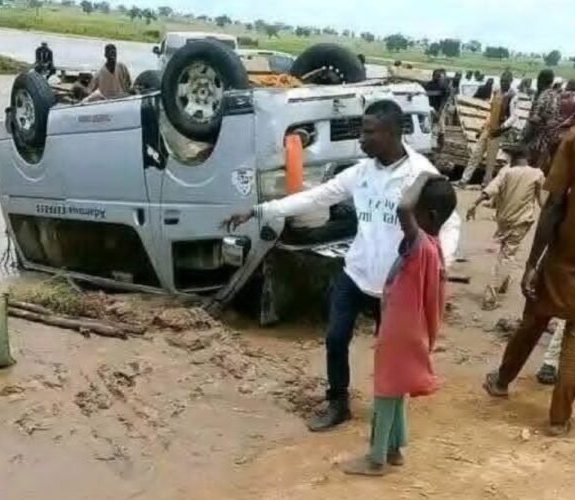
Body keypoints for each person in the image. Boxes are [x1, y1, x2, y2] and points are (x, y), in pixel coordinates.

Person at [223, 100, 461, 432]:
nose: (360, 140)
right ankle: (338, 402)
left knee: (390, 352)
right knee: (335, 338)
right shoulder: (361, 173)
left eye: (368, 132)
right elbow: (316, 196)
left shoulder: (421, 176)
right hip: (355, 272)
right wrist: (261, 210)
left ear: (391, 133)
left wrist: (440, 266)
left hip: (395, 284)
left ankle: (388, 412)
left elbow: (450, 223)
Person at [484, 114, 575, 437]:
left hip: (566, 256)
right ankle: (559, 418)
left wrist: (532, 262)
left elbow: (553, 205)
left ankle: (501, 380)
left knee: (535, 318)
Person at [340, 173, 455, 476]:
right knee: (397, 388)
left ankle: (375, 458)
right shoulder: (435, 245)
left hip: (399, 330)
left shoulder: (419, 245)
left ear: (428, 215)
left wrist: (422, 177)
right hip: (414, 329)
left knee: (385, 389)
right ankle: (395, 448)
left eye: (418, 209)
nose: (409, 214)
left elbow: (402, 209)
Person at [466, 145, 544, 310]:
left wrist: (474, 204)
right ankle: (490, 296)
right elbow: (542, 202)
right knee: (507, 256)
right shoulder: (537, 174)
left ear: (514, 159)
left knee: (507, 252)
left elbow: (490, 190)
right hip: (521, 222)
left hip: (504, 221)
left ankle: (504, 283)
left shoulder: (506, 172)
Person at [460, 71, 518, 187]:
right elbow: (491, 112)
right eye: (502, 81)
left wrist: (502, 128)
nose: (503, 83)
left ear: (510, 82)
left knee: (490, 160)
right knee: (476, 154)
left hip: (498, 131)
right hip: (489, 127)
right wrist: (483, 127)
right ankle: (464, 179)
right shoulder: (496, 91)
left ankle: (486, 182)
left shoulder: (513, 95)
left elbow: (513, 117)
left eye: (506, 81)